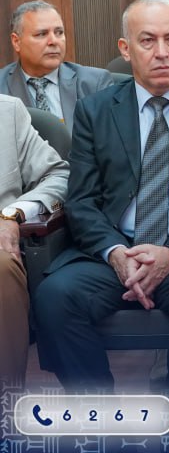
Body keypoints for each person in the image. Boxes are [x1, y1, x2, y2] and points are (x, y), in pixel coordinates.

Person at [35, 0, 169, 448]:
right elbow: (82, 200)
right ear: (125, 48)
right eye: (147, 41)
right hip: (116, 248)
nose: (162, 52)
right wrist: (115, 252)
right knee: (55, 298)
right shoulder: (95, 110)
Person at [0, 94, 69, 389]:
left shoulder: (7, 111)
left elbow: (58, 175)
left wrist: (12, 214)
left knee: (2, 268)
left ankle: (6, 401)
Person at [2, 0, 114, 126]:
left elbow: (109, 135)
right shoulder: (2, 87)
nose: (54, 41)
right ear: (16, 42)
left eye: (59, 32)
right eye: (41, 34)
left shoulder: (95, 84)